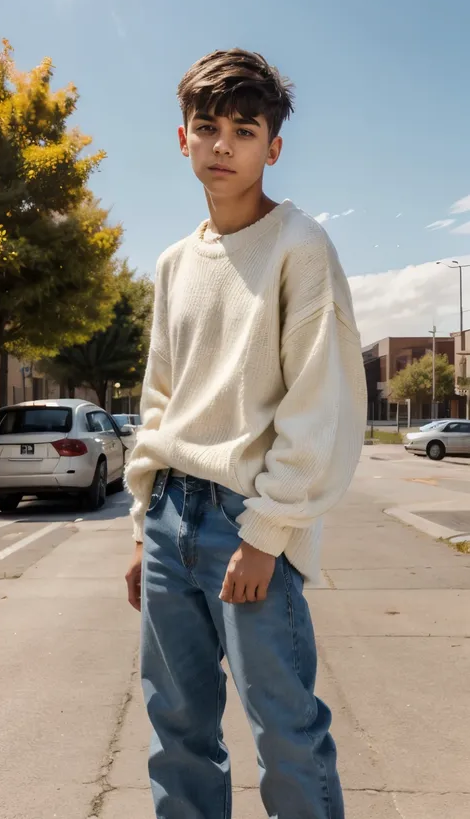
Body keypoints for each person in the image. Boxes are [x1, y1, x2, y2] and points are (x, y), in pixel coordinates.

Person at [125, 48, 366, 819]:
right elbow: (159, 397)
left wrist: (267, 532)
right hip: (168, 517)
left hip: (247, 520)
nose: (222, 144)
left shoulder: (300, 246)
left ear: (274, 145)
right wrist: (141, 525)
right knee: (178, 729)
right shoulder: (171, 263)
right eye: (207, 127)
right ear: (183, 138)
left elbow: (317, 401)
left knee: (286, 730)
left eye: (243, 129)